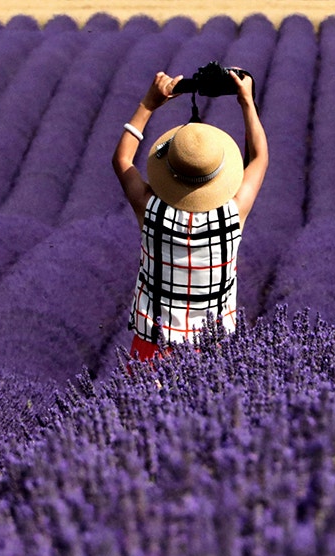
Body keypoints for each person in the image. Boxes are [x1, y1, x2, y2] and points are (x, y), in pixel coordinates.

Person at [112, 67, 268, 363]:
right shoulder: (233, 213)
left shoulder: (150, 209)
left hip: (152, 351)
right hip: (215, 354)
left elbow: (121, 159)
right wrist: (246, 100)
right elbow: (260, 157)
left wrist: (149, 103)